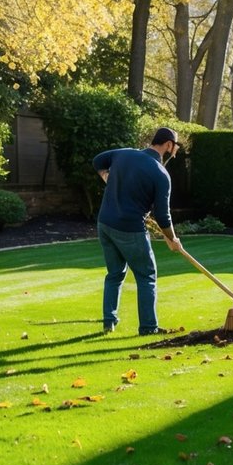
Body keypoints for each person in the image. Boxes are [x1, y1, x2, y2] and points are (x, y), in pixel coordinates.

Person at [92, 127, 184, 335]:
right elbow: (162, 216)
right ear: (168, 144)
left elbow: (98, 161)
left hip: (104, 223)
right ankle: (149, 327)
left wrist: (105, 176)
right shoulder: (161, 174)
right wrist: (173, 239)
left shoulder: (123, 154)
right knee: (147, 275)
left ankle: (109, 322)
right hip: (129, 228)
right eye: (174, 148)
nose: (174, 152)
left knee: (114, 273)